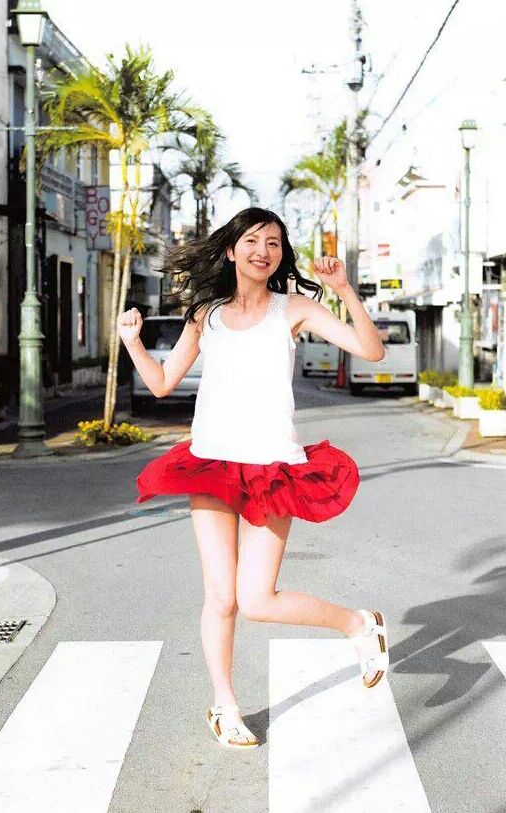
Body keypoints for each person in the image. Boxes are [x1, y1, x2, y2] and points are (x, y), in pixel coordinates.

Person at [117, 207, 389, 750]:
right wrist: (132, 341)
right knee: (220, 598)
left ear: (281, 255)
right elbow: (164, 383)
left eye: (274, 243)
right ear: (230, 250)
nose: (263, 251)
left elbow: (371, 350)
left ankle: (358, 625)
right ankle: (224, 707)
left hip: (271, 468)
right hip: (211, 464)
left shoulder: (295, 309)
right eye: (252, 240)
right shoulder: (206, 315)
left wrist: (344, 291)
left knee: (257, 600)